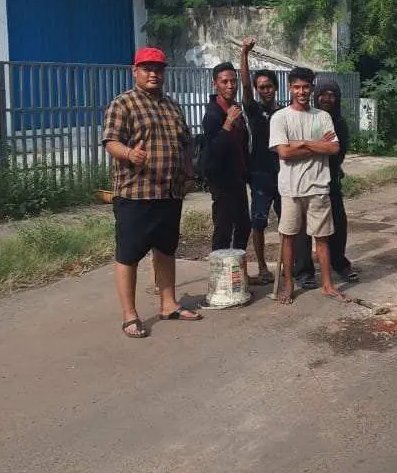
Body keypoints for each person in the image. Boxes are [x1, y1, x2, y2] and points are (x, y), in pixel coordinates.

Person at [102, 46, 202, 339]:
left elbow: (185, 143)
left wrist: (188, 173)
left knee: (166, 250)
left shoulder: (172, 106)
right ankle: (129, 315)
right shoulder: (123, 104)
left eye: (158, 69)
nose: (153, 73)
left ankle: (168, 304)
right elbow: (110, 141)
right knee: (129, 254)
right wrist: (130, 154)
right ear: (135, 71)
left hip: (169, 192)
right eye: (147, 68)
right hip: (135, 193)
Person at [268, 66, 348, 305]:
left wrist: (300, 143)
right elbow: (283, 153)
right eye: (297, 87)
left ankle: (327, 284)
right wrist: (314, 145)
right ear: (290, 88)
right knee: (289, 237)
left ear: (311, 88)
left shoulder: (322, 117)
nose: (301, 91)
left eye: (305, 87)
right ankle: (290, 284)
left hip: (319, 187)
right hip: (291, 189)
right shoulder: (280, 117)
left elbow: (333, 148)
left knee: (322, 238)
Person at [293, 80, 358, 288]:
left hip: (330, 180)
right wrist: (321, 145)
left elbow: (337, 152)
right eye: (323, 94)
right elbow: (297, 147)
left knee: (338, 223)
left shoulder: (340, 124)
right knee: (302, 228)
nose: (327, 98)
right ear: (316, 95)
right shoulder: (307, 118)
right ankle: (304, 271)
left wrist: (317, 147)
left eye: (332, 94)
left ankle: (339, 263)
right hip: (304, 178)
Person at [240, 38, 283, 284]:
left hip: (284, 174)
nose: (265, 90)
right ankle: (263, 268)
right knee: (258, 223)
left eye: (268, 86)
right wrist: (244, 54)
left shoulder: (285, 113)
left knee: (288, 223)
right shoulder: (255, 111)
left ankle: (288, 265)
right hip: (259, 175)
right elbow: (244, 86)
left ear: (275, 88)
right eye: (261, 87)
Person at [202, 61, 252, 252]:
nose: (230, 86)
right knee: (223, 229)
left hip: (237, 177)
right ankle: (219, 276)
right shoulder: (213, 114)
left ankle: (237, 271)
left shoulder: (235, 108)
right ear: (216, 84)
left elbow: (242, 143)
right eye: (224, 82)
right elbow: (215, 150)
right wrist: (228, 122)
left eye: (233, 81)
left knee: (243, 227)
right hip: (221, 180)